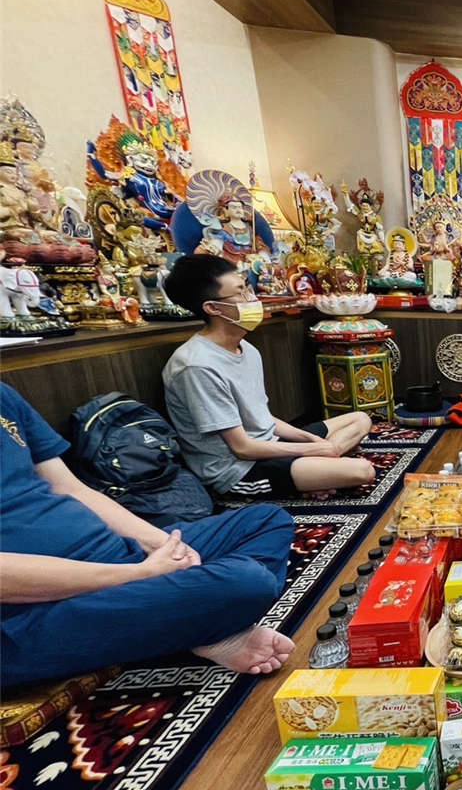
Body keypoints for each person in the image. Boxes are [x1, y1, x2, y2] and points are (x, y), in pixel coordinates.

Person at [0, 382, 294, 687]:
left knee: (266, 520)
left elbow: (70, 488)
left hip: (112, 554)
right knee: (248, 581)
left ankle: (192, 622)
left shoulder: (4, 395)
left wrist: (163, 545)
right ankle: (195, 618)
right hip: (28, 612)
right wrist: (138, 574)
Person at [161, 255, 375, 497]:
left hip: (270, 445)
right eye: (241, 293)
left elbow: (262, 418)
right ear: (212, 307)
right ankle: (316, 472)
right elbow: (242, 448)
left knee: (360, 419)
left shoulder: (246, 348)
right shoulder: (196, 366)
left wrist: (314, 443)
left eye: (248, 287)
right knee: (362, 470)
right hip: (238, 469)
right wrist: (313, 450)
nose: (252, 298)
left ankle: (318, 470)